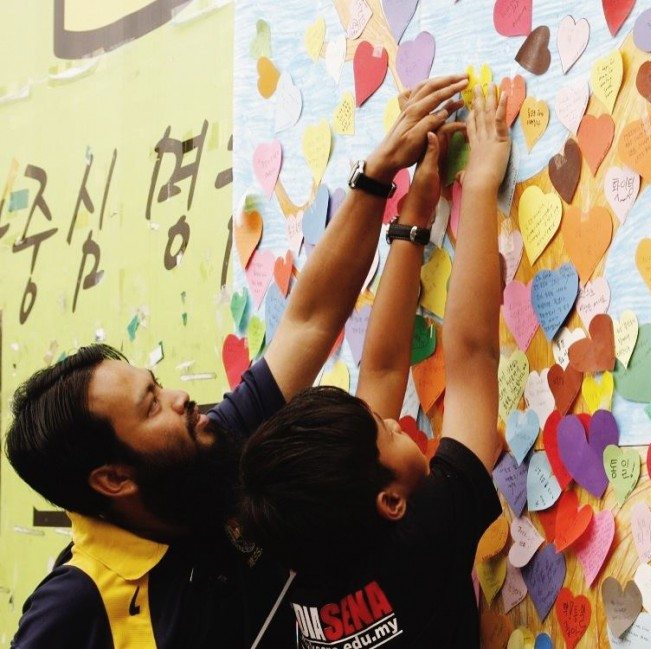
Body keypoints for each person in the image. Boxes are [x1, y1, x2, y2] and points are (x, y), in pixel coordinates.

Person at [5, 74, 469, 649]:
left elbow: (311, 321)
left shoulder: (217, 446)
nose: (181, 398)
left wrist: (377, 178)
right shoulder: (76, 608)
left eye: (157, 386)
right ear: (113, 478)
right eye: (150, 407)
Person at [237, 84, 509, 649]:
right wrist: (480, 186)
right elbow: (472, 356)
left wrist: (414, 221)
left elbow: (382, 371)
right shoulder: (426, 534)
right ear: (391, 503)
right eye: (386, 431)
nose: (393, 420)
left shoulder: (308, 565)